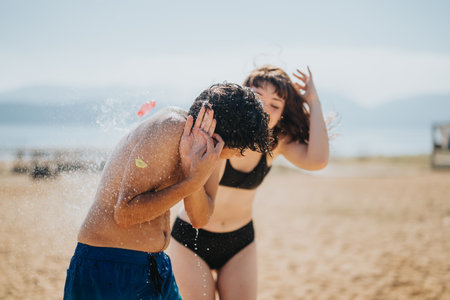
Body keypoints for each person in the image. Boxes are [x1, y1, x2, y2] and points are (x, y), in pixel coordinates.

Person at [63, 83, 270, 300]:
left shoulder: (210, 153)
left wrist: (194, 173)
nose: (238, 156)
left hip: (156, 264)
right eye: (239, 149)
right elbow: (124, 214)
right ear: (218, 134)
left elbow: (200, 218)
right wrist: (192, 181)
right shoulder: (169, 129)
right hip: (109, 263)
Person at [169, 65, 330, 300]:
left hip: (240, 242)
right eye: (257, 98)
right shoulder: (221, 137)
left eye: (275, 104)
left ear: (283, 113)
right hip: (191, 241)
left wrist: (314, 102)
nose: (265, 108)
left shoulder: (277, 144)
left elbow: (318, 160)